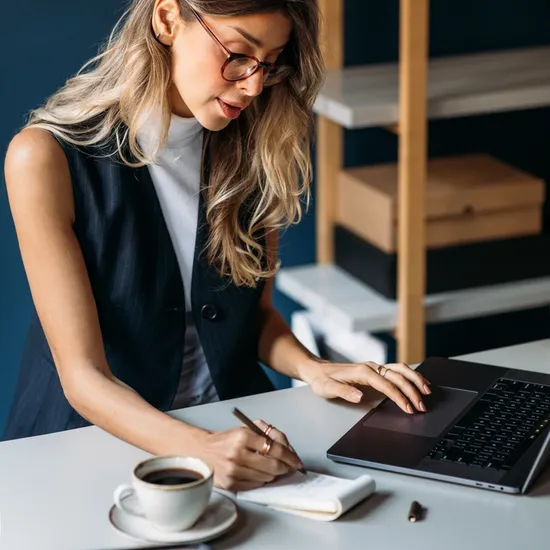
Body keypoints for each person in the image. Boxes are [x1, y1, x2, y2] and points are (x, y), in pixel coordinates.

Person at [2, 0, 431, 490]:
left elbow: (255, 320)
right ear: (167, 19)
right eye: (238, 53)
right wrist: (199, 448)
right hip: (91, 451)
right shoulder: (44, 158)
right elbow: (84, 379)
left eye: (269, 64)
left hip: (232, 428)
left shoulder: (258, 146)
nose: (252, 85)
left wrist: (316, 368)